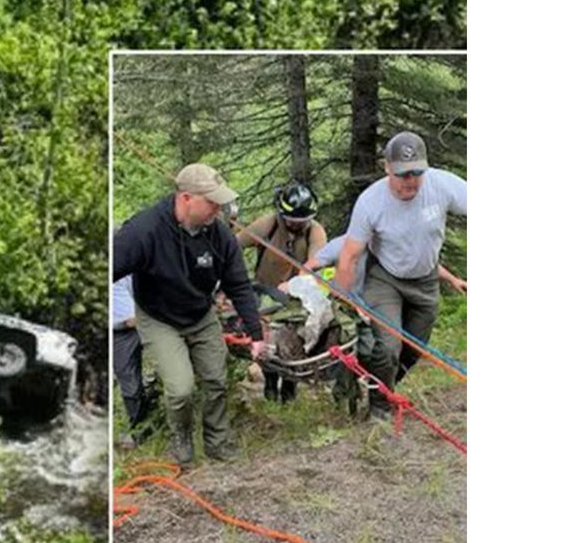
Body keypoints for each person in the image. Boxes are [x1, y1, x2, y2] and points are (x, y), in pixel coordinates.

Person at [113, 162, 266, 464]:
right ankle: (180, 439)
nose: (218, 210)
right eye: (212, 202)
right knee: (181, 388)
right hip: (158, 317)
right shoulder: (144, 230)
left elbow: (239, 284)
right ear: (186, 198)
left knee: (215, 379)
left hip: (199, 314)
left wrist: (256, 333)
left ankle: (217, 441)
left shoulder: (218, 234)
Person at [335, 131, 467, 419]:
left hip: (426, 279)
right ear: (387, 169)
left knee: (414, 349)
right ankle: (380, 410)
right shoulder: (371, 202)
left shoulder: (442, 185)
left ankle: (380, 383)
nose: (410, 181)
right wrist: (342, 302)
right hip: (386, 279)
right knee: (389, 348)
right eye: (403, 174)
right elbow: (349, 256)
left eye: (416, 173)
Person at [310, 233, 466, 413]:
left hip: (380, 310)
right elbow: (309, 267)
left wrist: (453, 279)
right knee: (369, 353)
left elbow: (424, 265)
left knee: (402, 352)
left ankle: (383, 390)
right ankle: (355, 400)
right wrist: (306, 286)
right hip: (352, 310)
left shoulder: (391, 244)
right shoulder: (342, 245)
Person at [236, 181, 329, 403]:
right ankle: (269, 383)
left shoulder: (315, 232)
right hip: (265, 293)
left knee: (293, 342)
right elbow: (235, 243)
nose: (296, 225)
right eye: (292, 221)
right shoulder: (269, 224)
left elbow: (315, 263)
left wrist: (298, 282)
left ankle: (289, 387)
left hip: (297, 298)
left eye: (302, 221)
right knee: (267, 342)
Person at [112, 276, 148, 448]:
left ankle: (142, 428)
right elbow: (131, 319)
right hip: (121, 330)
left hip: (139, 323)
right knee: (130, 384)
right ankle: (138, 432)